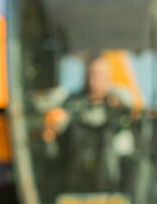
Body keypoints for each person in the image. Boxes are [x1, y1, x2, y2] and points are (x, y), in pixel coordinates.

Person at [40, 54, 136, 193]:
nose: (97, 79)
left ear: (109, 78)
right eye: (93, 74)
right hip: (73, 176)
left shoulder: (118, 103)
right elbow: (57, 124)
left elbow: (130, 110)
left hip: (111, 179)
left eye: (101, 75)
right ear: (86, 76)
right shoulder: (71, 103)